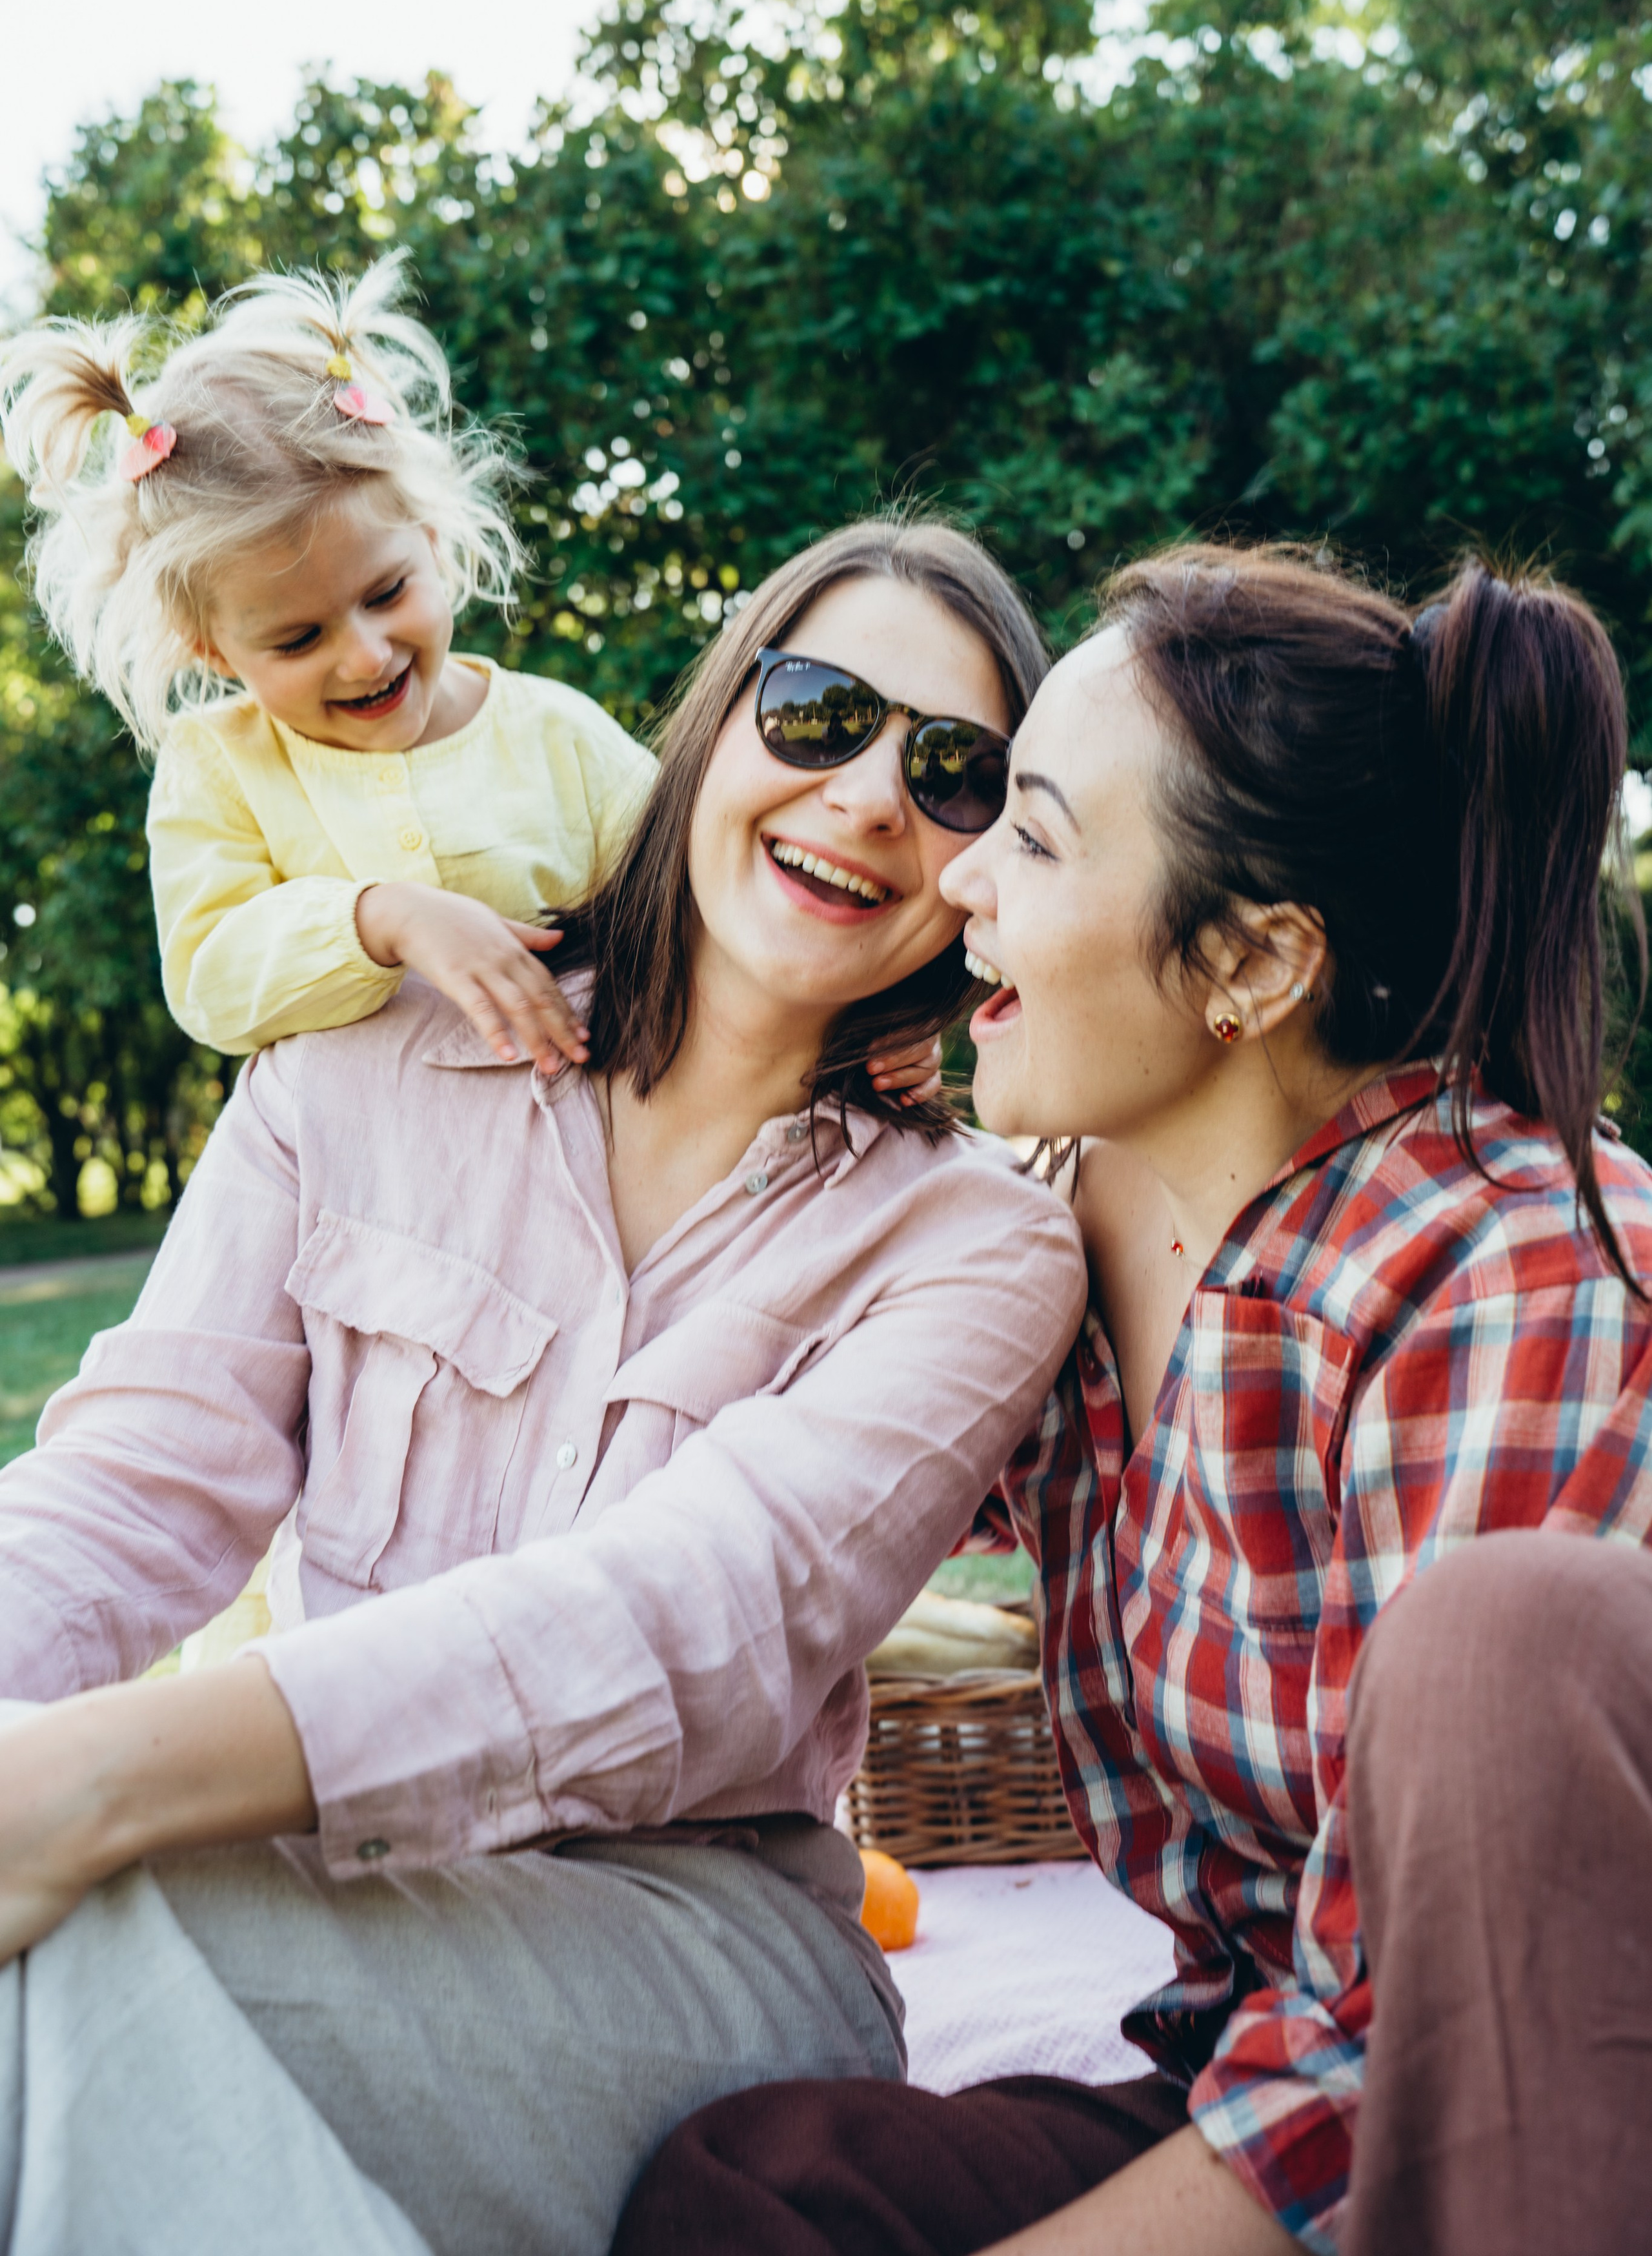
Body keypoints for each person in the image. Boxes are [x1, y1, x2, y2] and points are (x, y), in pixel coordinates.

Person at [0, 520, 1088, 2256]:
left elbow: (683, 1618)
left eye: (955, 773)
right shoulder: (353, 1068)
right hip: (320, 1869)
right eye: (821, 714)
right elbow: (133, 1486)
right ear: (715, 723)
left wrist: (92, 1778)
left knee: (96, 1929)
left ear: (987, 862)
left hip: (696, 1936)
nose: (875, 796)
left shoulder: (975, 1248)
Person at [617, 545, 1652, 2256]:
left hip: (1517, 2096)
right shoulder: (1050, 1228)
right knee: (765, 2195)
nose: (961, 885)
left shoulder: (1517, 1267)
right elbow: (751, 1504)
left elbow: (1409, 2027)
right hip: (1245, 2066)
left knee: (1498, 1633)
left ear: (1251, 965)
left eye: (1030, 831)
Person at [0, 255, 924, 1104]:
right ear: (212, 652)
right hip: (350, 1191)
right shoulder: (221, 766)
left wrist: (857, 1031)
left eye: (387, 591)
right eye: (296, 639)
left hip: (577, 1165)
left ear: (434, 546)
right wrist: (383, 920)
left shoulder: (557, 738)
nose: (364, 655)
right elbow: (210, 979)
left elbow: (708, 916)